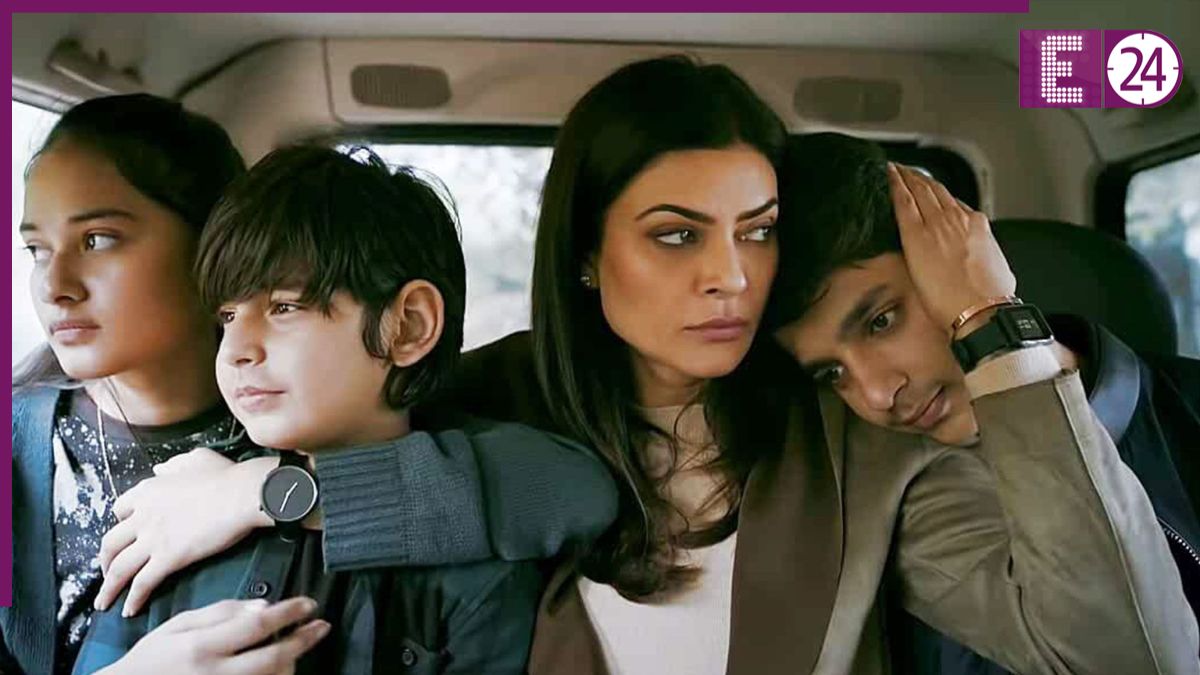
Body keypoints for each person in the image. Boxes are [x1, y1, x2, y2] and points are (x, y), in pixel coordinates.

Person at [89, 57, 1199, 674]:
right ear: (586, 256)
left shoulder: (857, 441)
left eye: (757, 231)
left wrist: (1001, 334)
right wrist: (262, 487)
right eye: (675, 235)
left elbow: (1124, 656)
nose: (729, 276)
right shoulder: (479, 403)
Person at [7, 95, 615, 675]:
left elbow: (572, 491)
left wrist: (258, 493)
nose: (54, 285)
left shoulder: (345, 412)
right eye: (35, 248)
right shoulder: (139, 493)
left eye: (98, 239)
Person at [765, 132, 1200, 673]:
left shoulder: (1187, 404)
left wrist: (991, 323)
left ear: (960, 261)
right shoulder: (897, 493)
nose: (877, 395)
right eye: (832, 373)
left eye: (881, 321)